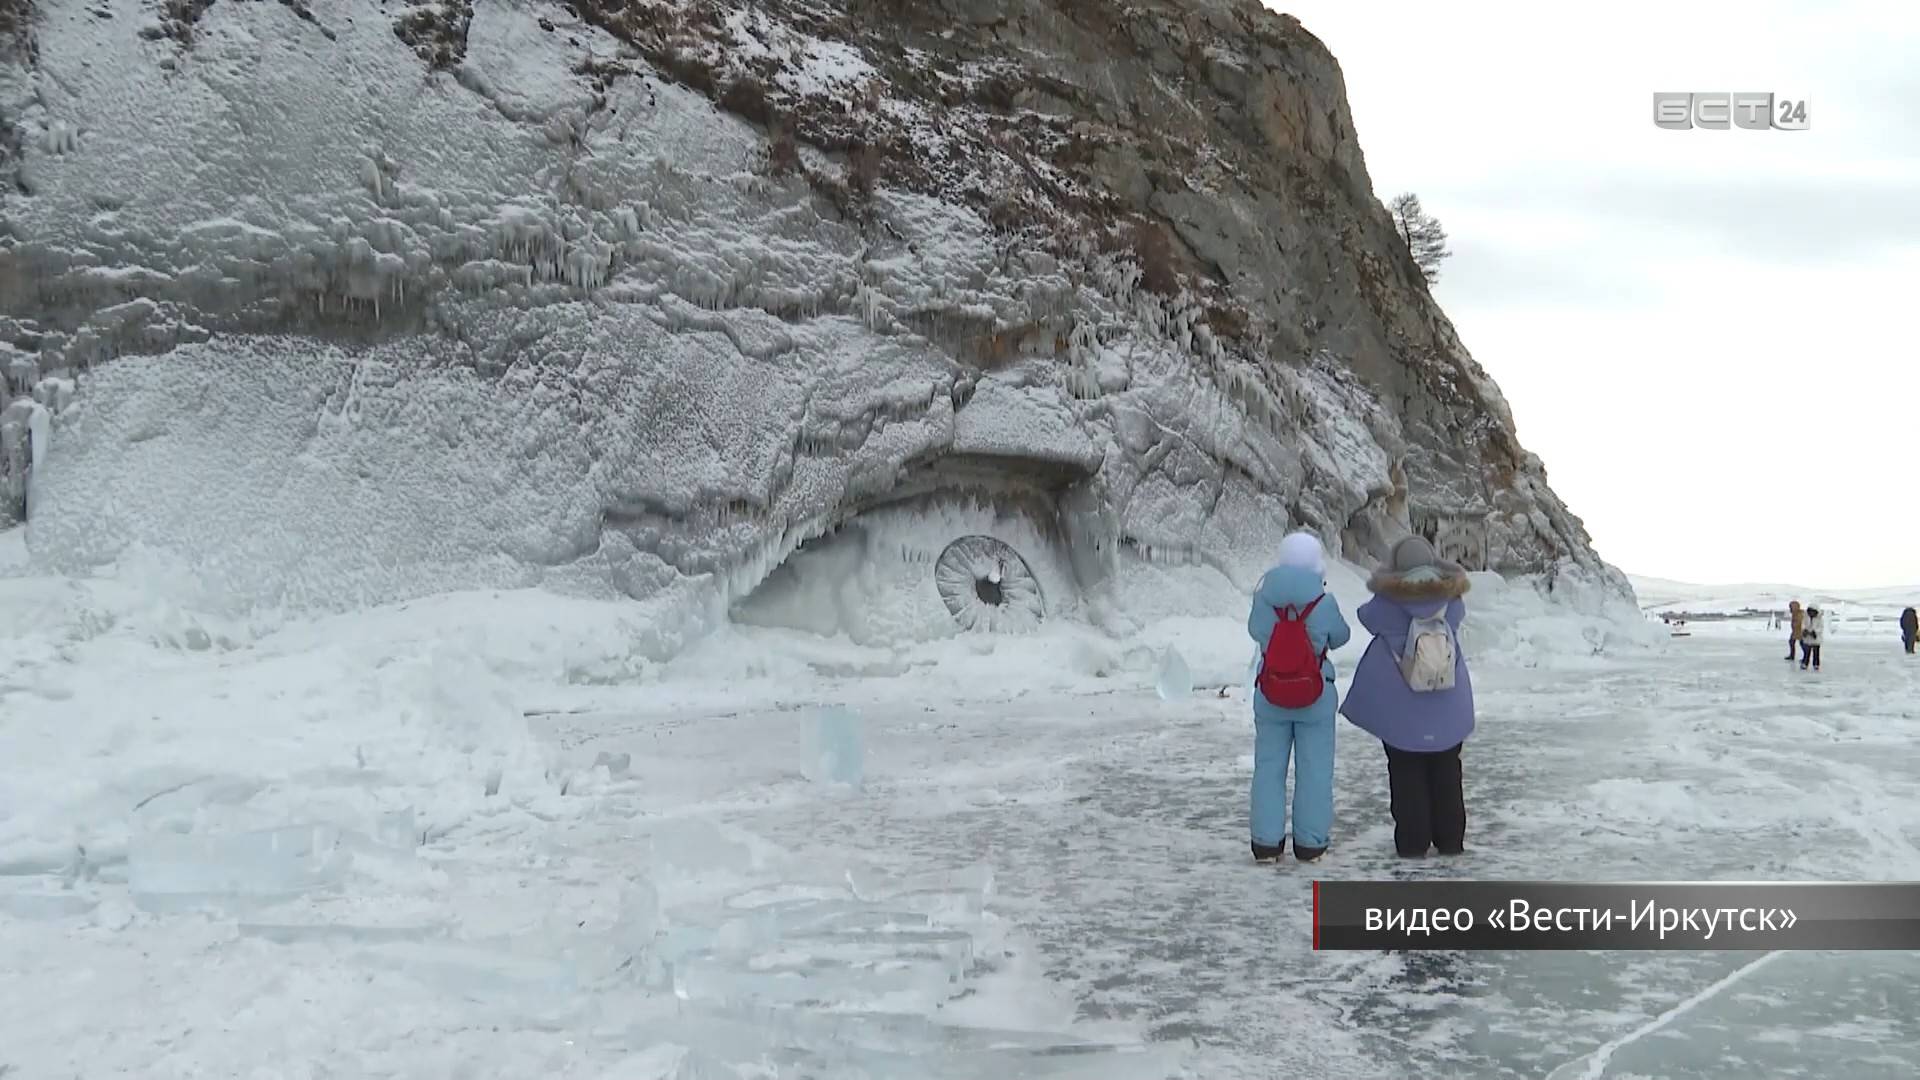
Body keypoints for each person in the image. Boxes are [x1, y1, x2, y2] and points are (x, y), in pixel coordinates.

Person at [1339, 537, 1475, 858]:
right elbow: (1460, 611)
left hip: (1401, 708)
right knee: (1447, 771)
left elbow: (1366, 616)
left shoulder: (1386, 605)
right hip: (1446, 704)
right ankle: (1451, 840)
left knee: (1405, 773)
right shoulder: (1451, 602)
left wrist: (1387, 582)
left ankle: (1413, 843)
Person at [1246, 531, 1351, 864]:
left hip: (1271, 693)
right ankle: (1310, 845)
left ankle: (1265, 843)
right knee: (1315, 770)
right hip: (1315, 695)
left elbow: (1255, 631)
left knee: (1268, 768)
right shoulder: (1324, 601)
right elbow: (1341, 637)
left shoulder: (1264, 600)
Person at [1800, 605, 1825, 671]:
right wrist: (1804, 630)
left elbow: (1820, 628)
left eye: (1813, 612)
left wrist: (1814, 632)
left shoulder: (1819, 619)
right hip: (1807, 638)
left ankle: (1816, 664)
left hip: (1815, 639)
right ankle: (1805, 663)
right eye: (1810, 611)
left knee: (1816, 652)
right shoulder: (1806, 617)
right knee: (1806, 652)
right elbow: (1803, 624)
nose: (1811, 613)